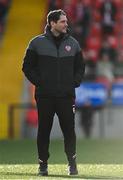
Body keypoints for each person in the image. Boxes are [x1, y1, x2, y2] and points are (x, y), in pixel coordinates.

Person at [22, 9, 85, 176]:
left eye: (66, 21)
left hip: (66, 96)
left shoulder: (73, 43)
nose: (66, 24)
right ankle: (43, 166)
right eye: (63, 21)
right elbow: (27, 67)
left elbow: (80, 67)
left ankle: (72, 164)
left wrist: (74, 82)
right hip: (45, 96)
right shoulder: (36, 43)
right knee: (43, 131)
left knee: (69, 131)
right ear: (52, 23)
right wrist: (41, 82)